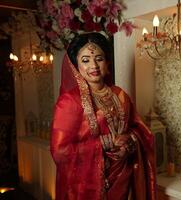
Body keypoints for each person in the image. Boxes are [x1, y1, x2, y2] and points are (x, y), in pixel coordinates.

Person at [51, 32, 156, 200]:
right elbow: (60, 152)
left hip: (125, 175)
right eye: (85, 60)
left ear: (107, 62)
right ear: (76, 65)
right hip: (90, 186)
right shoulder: (69, 101)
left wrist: (130, 140)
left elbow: (139, 130)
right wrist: (106, 142)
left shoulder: (120, 95)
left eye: (99, 59)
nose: (94, 65)